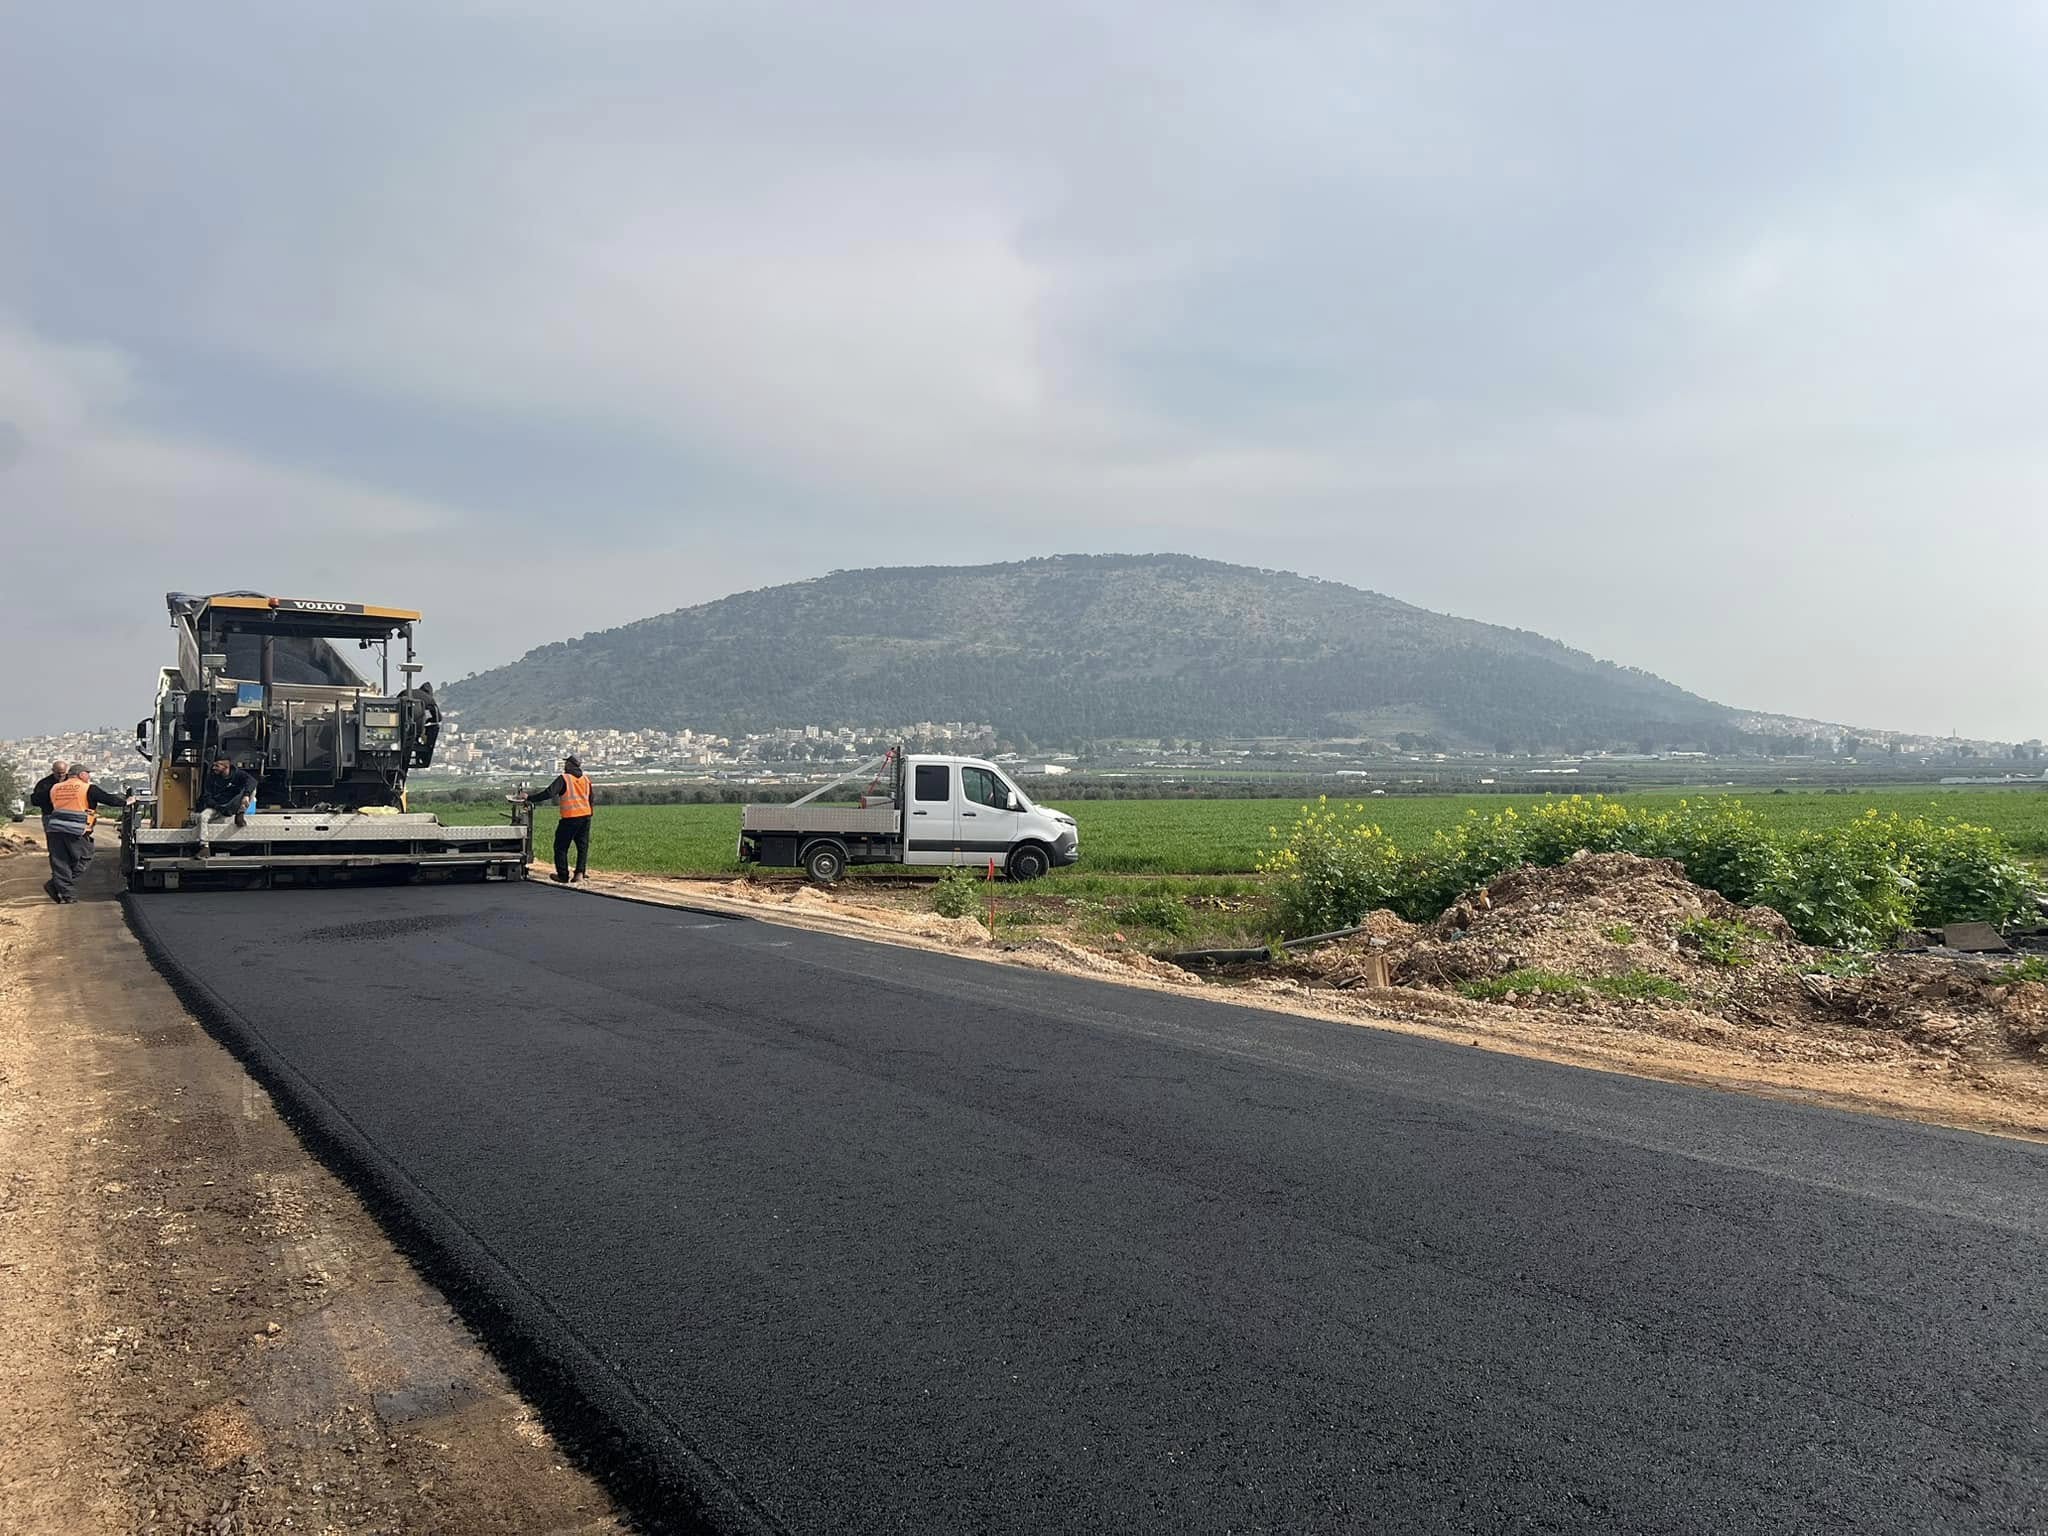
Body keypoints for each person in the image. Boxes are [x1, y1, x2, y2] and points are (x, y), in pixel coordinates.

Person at [44, 766, 129, 904]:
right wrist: (126, 802)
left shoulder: (55, 788)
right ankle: (57, 885)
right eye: (88, 774)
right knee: (85, 857)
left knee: (60, 862)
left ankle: (65, 892)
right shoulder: (87, 788)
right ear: (81, 774)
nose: (89, 777)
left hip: (55, 828)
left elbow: (46, 805)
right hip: (77, 830)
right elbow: (108, 799)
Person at [521, 755, 594, 884]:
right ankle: (579, 874)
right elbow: (591, 799)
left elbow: (549, 793)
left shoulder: (564, 779)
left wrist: (529, 798)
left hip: (570, 818)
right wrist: (589, 814)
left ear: (570, 765)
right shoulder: (586, 780)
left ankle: (563, 875)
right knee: (582, 847)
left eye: (566, 763)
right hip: (586, 816)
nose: (564, 766)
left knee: (560, 847)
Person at [192, 754, 257, 859]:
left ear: (226, 766)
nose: (214, 768)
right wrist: (216, 806)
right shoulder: (211, 777)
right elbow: (206, 796)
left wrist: (246, 795)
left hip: (234, 805)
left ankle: (240, 814)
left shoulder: (238, 774)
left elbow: (253, 781)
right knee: (203, 816)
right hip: (217, 806)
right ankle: (204, 847)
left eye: (217, 766)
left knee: (252, 789)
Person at [29, 758, 69, 834]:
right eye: (58, 773)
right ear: (53, 770)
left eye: (63, 773)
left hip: (69, 815)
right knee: (53, 839)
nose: (60, 775)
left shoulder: (72, 781)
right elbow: (35, 800)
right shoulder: (44, 784)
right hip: (50, 815)